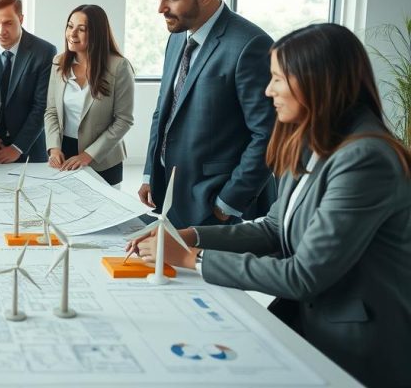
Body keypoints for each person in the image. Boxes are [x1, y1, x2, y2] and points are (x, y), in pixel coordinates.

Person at [128, 23, 411, 388]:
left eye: (277, 79)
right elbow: (273, 229)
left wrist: (190, 258)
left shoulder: (365, 158)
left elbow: (303, 275)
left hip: (355, 347)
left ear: (315, 81)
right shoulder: (313, 141)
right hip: (304, 323)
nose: (268, 90)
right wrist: (187, 235)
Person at [139, 0, 276, 226]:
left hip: (220, 206)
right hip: (172, 194)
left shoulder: (250, 45)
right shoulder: (178, 35)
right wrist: (150, 173)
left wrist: (227, 203)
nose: (160, 8)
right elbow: (163, 110)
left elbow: (268, 135)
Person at [43, 5, 134, 186]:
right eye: (70, 26)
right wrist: (54, 148)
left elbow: (123, 120)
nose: (72, 33)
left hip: (103, 159)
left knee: (106, 213)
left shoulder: (119, 67)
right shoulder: (59, 63)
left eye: (81, 29)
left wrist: (88, 155)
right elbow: (51, 111)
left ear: (97, 34)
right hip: (64, 155)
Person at [0, 0, 57, 164]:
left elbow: (41, 106)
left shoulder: (44, 52)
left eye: (8, 23)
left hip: (29, 148)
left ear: (21, 19)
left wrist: (17, 147)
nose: (0, 31)